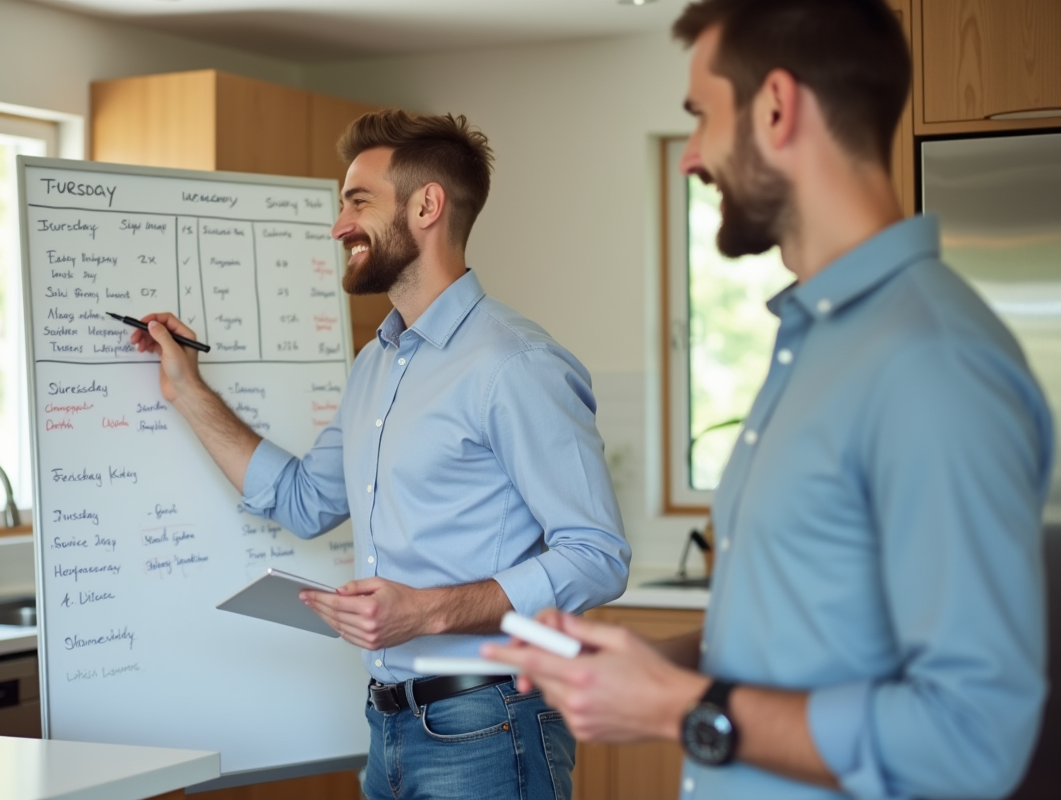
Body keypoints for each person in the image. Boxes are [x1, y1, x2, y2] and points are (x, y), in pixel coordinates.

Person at [486, 2, 1054, 799]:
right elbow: (800, 639)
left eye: (700, 118)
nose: (689, 159)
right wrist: (645, 664)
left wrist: (676, 705)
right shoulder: (816, 341)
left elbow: (970, 739)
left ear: (778, 107)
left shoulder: (933, 361)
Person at [130, 109, 631, 800]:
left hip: (491, 725)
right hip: (389, 725)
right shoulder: (377, 364)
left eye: (358, 201)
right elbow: (304, 502)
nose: (339, 227)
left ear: (427, 205)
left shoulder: (515, 363)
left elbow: (597, 555)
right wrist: (188, 390)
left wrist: (429, 612)